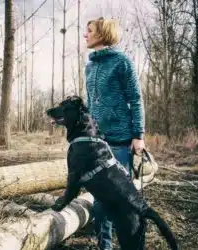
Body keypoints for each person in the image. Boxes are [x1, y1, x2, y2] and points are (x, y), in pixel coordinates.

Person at [83, 17, 146, 250]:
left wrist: (138, 135)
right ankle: (104, 246)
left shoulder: (122, 62)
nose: (85, 35)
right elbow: (90, 104)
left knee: (122, 201)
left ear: (103, 34)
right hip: (98, 143)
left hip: (121, 143)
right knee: (99, 203)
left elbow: (136, 100)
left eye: (89, 31)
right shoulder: (89, 66)